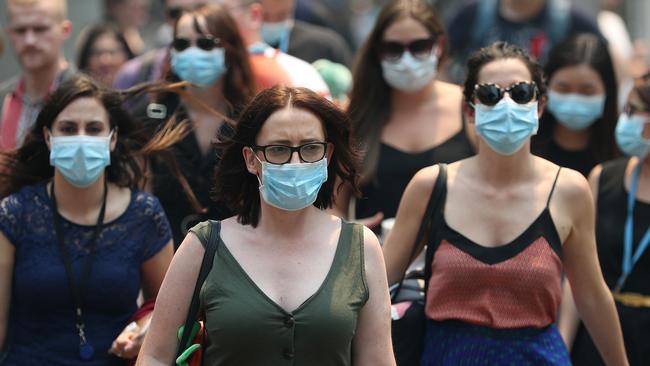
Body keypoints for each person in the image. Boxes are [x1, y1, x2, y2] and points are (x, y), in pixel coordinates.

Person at [383, 42, 628, 365]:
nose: (507, 104)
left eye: (522, 92)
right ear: (470, 109)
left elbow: (592, 296)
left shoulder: (568, 190)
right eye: (490, 94)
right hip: (447, 355)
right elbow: (377, 287)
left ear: (539, 107)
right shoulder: (432, 186)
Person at [136, 85, 395, 365]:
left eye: (310, 148)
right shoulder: (203, 245)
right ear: (251, 159)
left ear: (327, 155)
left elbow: (377, 360)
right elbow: (154, 356)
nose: (295, 162)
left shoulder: (361, 246)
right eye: (279, 149)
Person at [0, 75, 177, 365]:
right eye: (68, 129)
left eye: (94, 129)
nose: (81, 138)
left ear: (113, 138)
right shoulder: (14, 214)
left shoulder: (144, 215)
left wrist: (144, 329)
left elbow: (166, 306)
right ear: (48, 137)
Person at [339, 0, 474, 229]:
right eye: (393, 49)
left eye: (419, 47)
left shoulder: (470, 107)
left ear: (439, 45)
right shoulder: (353, 115)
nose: (407, 59)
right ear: (377, 52)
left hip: (456, 259)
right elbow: (334, 204)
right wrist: (350, 235)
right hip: (377, 259)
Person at [559, 72, 650, 365]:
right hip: (597, 337)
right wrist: (562, 342)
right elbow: (579, 275)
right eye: (626, 109)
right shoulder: (603, 177)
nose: (625, 120)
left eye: (633, 111)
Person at [148, 3, 255, 246]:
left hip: (237, 263)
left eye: (206, 43)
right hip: (165, 261)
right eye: (182, 44)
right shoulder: (151, 118)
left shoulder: (253, 122)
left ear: (230, 48)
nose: (193, 52)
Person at [444, 0, 602, 83]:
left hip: (546, 125)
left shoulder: (570, 19)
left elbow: (604, 65)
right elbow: (441, 60)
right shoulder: (473, 13)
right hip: (482, 113)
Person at [532, 33, 620, 177]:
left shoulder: (623, 153)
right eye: (563, 89)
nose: (573, 99)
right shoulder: (526, 147)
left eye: (587, 91)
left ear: (607, 92)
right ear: (545, 88)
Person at [0, 0, 76, 150]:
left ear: (65, 30)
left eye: (40, 29)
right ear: (9, 33)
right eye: (20, 30)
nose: (30, 41)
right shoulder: (4, 98)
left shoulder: (86, 98)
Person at [219, 0, 331, 97]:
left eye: (282, 15)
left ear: (255, 14)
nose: (273, 23)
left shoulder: (301, 72)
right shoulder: (215, 68)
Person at [259, 0, 352, 67]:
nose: (273, 23)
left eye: (281, 15)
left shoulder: (326, 46)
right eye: (264, 16)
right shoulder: (245, 52)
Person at [76, 23, 135, 88]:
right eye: (97, 53)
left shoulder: (142, 96)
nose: (105, 61)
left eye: (112, 52)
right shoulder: (78, 96)